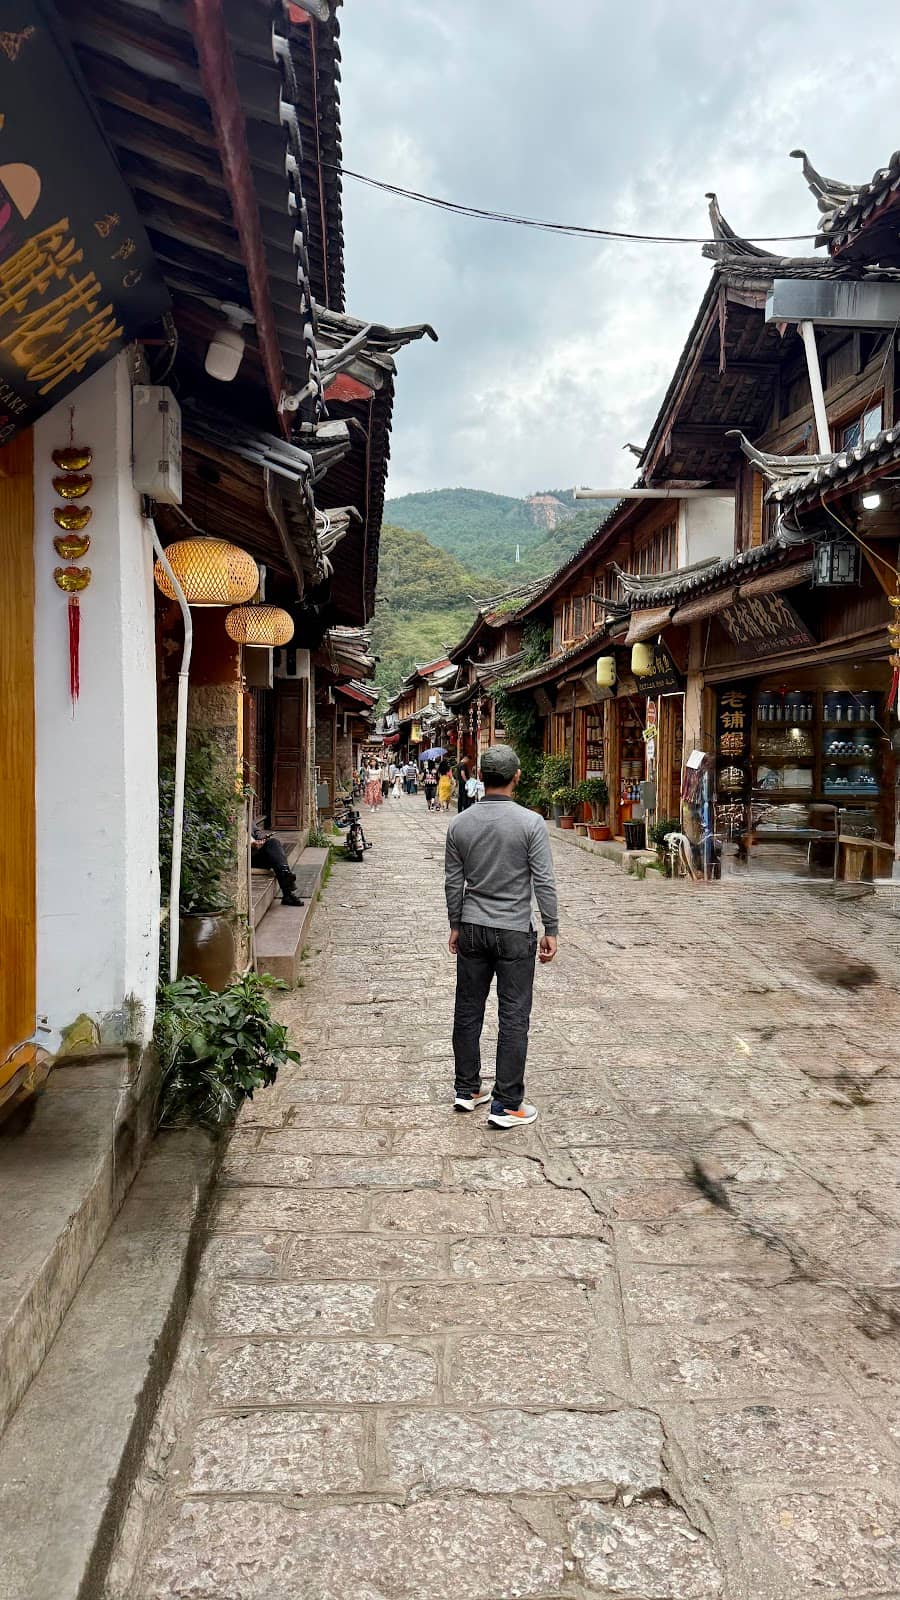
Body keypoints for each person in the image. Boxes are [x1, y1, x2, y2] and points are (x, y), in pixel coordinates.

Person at [445, 744, 558, 1128]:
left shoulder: (460, 823)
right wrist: (551, 928)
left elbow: (453, 882)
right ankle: (508, 1103)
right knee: (513, 1015)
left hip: (473, 928)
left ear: (481, 778)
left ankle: (467, 1088)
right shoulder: (531, 823)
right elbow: (543, 881)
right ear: (516, 777)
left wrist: (456, 925)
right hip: (514, 931)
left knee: (468, 1009)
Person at [251, 821, 304, 906]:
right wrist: (251, 844)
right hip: (247, 857)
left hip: (257, 850)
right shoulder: (228, 817)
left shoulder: (246, 814)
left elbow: (256, 831)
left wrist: (262, 838)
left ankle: (285, 874)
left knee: (274, 842)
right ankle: (287, 892)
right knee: (277, 858)